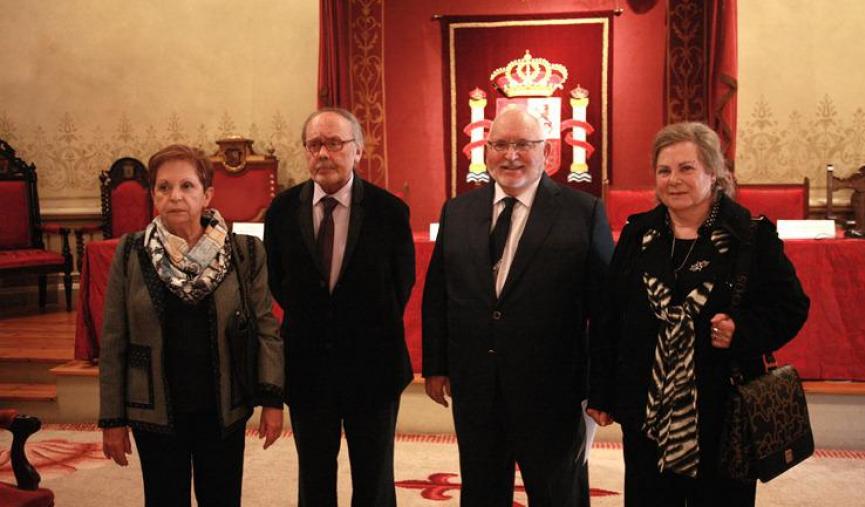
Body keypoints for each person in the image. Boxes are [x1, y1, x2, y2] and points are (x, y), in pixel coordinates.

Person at [587, 122, 810, 506]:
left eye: (686, 168)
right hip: (647, 411)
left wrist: (742, 330)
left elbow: (791, 307)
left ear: (713, 172)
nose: (673, 180)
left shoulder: (750, 237)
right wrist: (601, 392)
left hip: (723, 413)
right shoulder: (638, 235)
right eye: (664, 170)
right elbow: (610, 317)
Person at [422, 106, 614, 506]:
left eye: (524, 145)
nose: (511, 155)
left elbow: (606, 310)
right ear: (487, 151)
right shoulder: (458, 211)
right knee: (481, 493)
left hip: (553, 392)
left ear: (547, 152)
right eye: (500, 145)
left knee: (558, 494)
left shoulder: (583, 212)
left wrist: (602, 388)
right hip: (477, 387)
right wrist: (436, 365)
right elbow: (439, 294)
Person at [98, 144, 284, 507]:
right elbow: (113, 339)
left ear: (207, 195)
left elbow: (266, 329)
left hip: (222, 407)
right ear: (153, 196)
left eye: (187, 186)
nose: (175, 196)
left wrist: (272, 399)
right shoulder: (131, 252)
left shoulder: (244, 252)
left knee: (222, 499)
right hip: (155, 407)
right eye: (164, 187)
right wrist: (112, 419)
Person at [264, 108, 415, 507]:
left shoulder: (389, 212)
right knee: (314, 478)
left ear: (358, 150)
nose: (323, 153)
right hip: (308, 367)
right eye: (314, 144)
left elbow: (401, 284)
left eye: (334, 143)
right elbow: (278, 282)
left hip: (374, 366)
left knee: (374, 479)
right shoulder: (281, 211)